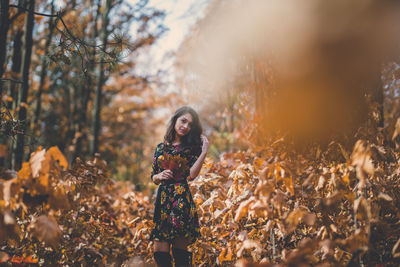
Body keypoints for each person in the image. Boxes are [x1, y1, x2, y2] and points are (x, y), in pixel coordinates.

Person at [150, 106, 209, 267]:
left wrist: (203, 152)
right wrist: (159, 176)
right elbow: (153, 176)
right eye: (183, 121)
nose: (186, 126)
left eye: (190, 124)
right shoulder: (161, 148)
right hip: (163, 200)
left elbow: (191, 175)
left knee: (180, 256)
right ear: (175, 120)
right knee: (159, 252)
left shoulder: (191, 148)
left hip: (180, 199)